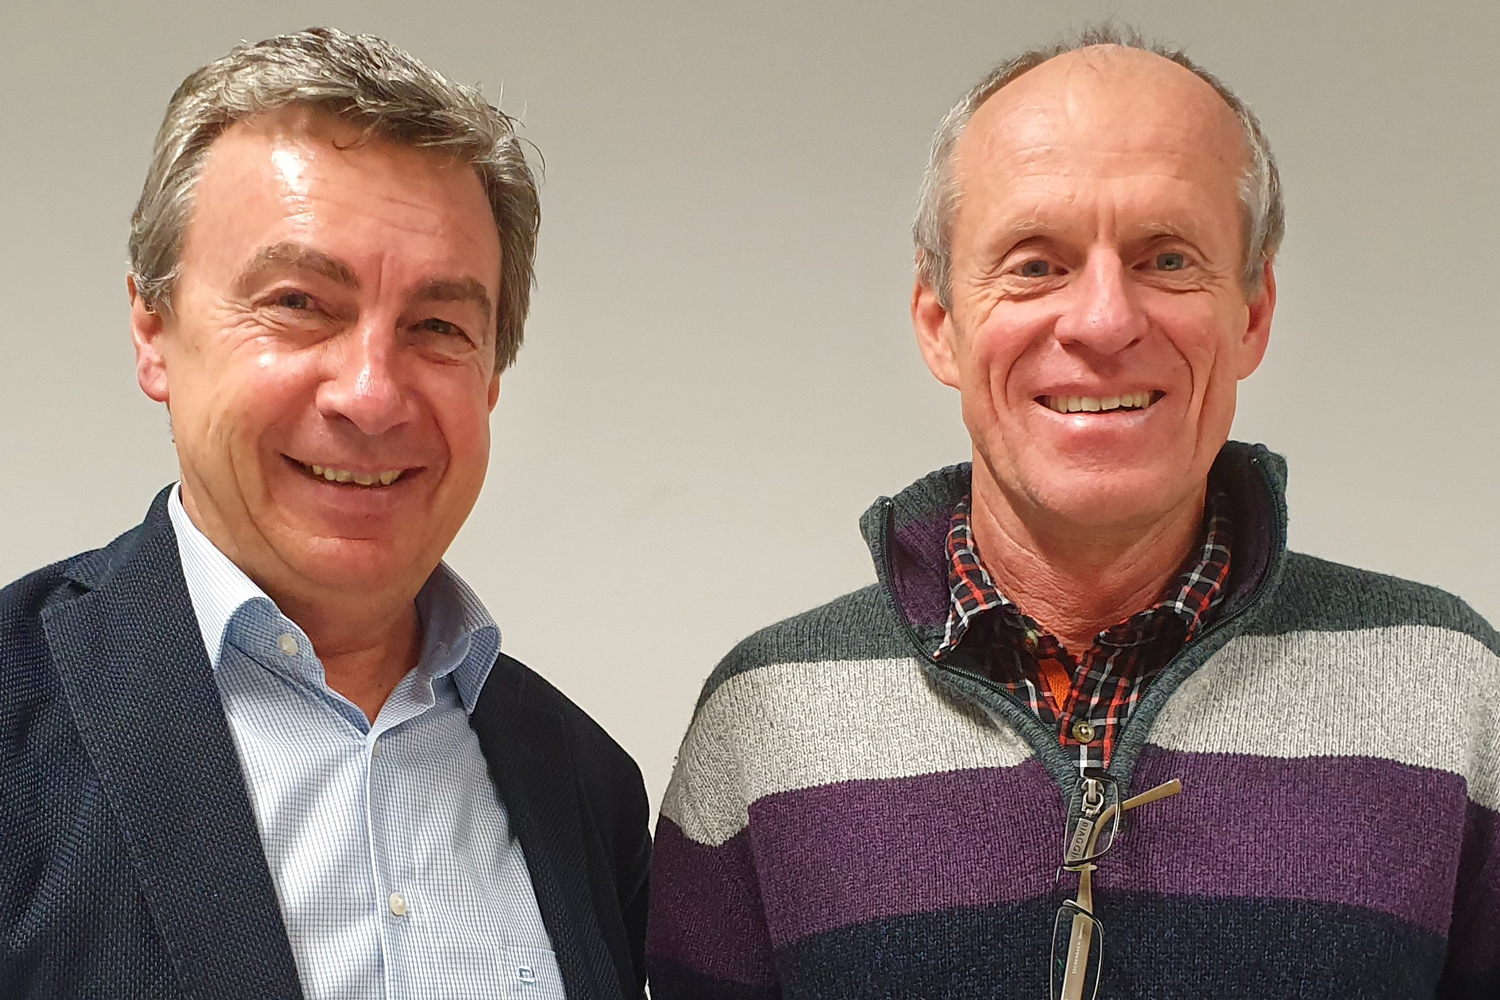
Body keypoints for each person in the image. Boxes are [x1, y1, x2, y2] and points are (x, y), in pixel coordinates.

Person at [647, 26, 1500, 1000]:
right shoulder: (764, 718)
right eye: (1034, 263)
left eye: (1167, 258)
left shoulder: (1455, 695)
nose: (1102, 321)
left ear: (1253, 312)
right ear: (940, 321)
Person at [0, 28, 648, 1000]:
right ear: (153, 331)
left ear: (492, 377)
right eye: (299, 303)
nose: (371, 395)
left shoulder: (589, 786)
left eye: (439, 326)